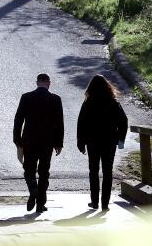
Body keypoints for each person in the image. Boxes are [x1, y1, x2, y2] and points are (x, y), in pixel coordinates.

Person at [12, 73, 64, 213]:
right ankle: (40, 203)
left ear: (37, 83)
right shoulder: (55, 99)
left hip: (29, 140)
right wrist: (59, 143)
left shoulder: (26, 97)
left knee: (29, 169)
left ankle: (33, 190)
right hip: (47, 141)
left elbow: (18, 119)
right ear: (49, 83)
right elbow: (59, 123)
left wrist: (17, 139)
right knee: (44, 172)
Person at [76, 74, 128, 210]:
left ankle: (94, 202)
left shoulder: (88, 103)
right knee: (107, 172)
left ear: (91, 87)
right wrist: (121, 138)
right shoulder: (113, 102)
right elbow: (123, 121)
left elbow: (81, 123)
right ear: (107, 87)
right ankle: (105, 204)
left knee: (93, 171)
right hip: (109, 141)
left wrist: (80, 142)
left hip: (92, 141)